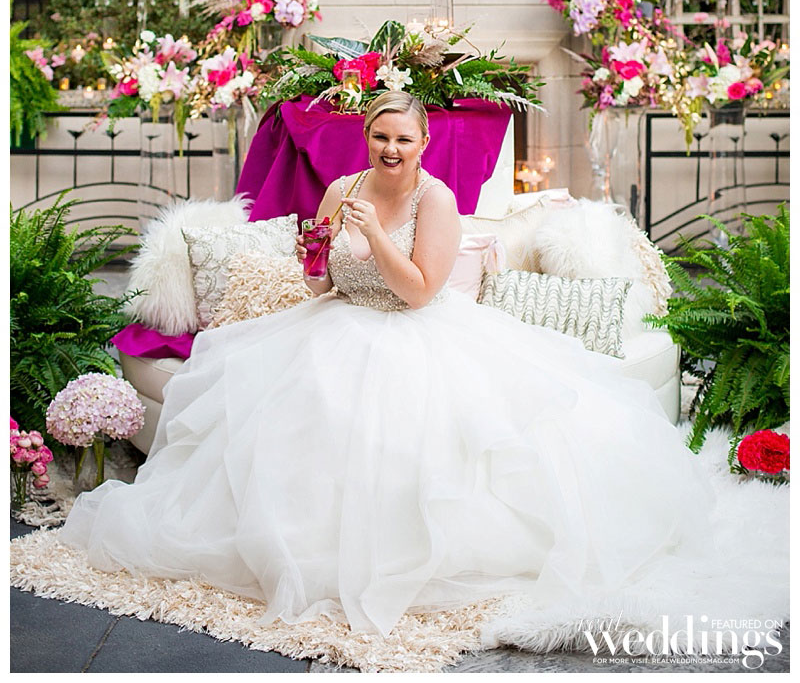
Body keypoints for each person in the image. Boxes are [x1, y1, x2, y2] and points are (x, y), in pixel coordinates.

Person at [62, 90, 717, 638]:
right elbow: (319, 280)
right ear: (367, 137)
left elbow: (421, 290)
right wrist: (314, 258)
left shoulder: (436, 201)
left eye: (404, 139)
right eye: (380, 137)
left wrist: (375, 234)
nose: (391, 149)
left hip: (416, 329)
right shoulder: (341, 188)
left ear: (423, 141)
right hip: (337, 321)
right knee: (299, 413)